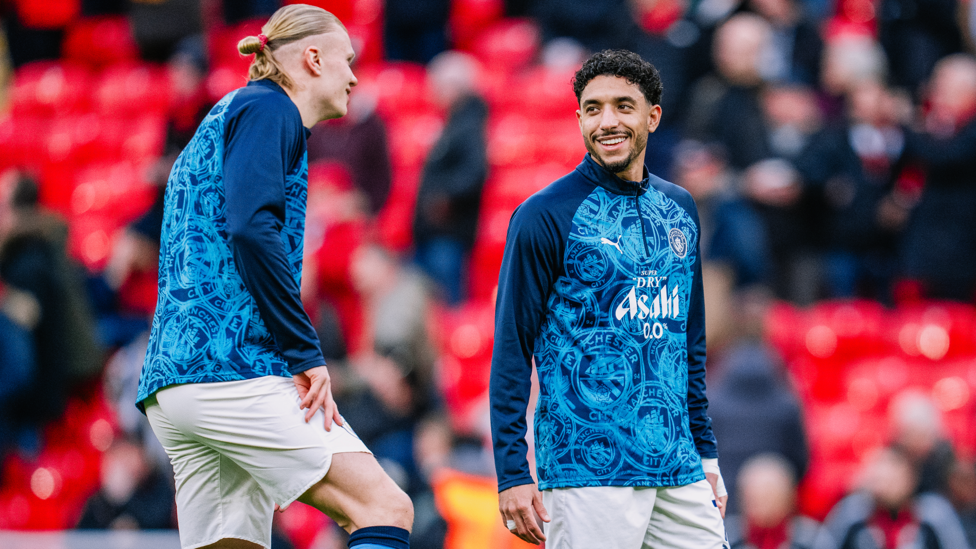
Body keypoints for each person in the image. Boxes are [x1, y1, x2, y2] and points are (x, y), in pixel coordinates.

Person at [135, 6, 413, 549]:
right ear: (312, 59)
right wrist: (305, 352)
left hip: (175, 383)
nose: (355, 76)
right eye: (347, 61)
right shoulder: (271, 108)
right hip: (231, 371)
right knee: (384, 505)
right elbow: (251, 229)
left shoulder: (227, 115)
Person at [489, 49, 728, 548]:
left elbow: (689, 345)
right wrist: (512, 470)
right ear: (579, 119)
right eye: (593, 108)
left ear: (652, 117)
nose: (607, 121)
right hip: (585, 465)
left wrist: (706, 455)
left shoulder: (680, 209)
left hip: (675, 462)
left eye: (623, 105)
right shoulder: (543, 215)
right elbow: (512, 347)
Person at [814, 446, 970, 549]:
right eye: (880, 479)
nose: (886, 487)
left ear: (910, 479)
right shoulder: (853, 513)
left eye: (893, 480)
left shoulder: (933, 515)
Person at [725, 454, 819, 549]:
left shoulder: (811, 538)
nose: (763, 509)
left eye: (768, 498)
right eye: (755, 500)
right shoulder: (726, 537)